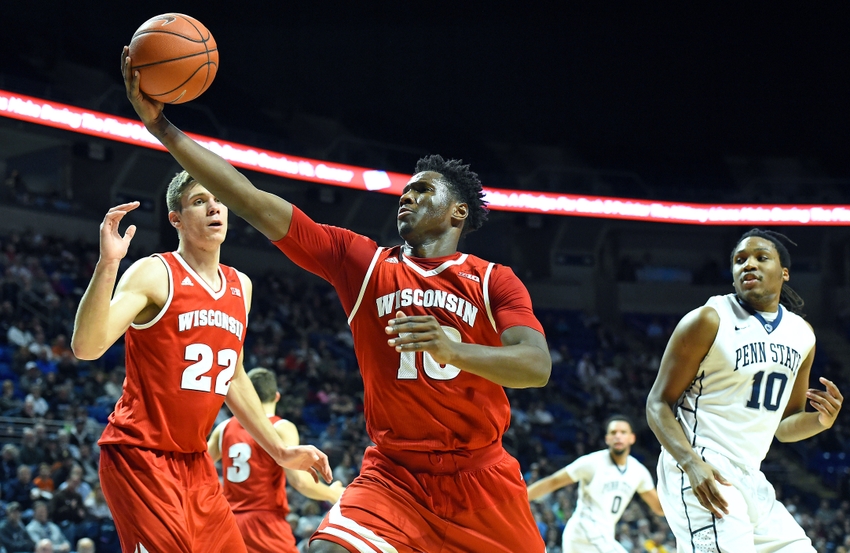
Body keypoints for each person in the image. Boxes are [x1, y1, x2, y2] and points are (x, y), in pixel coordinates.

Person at [122, 46, 552, 553]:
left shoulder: (492, 280)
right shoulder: (363, 263)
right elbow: (250, 199)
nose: (406, 198)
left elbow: (535, 365)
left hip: (482, 481)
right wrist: (164, 130)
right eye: (404, 192)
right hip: (394, 478)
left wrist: (454, 351)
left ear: (458, 212)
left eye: (422, 191)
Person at [70, 158, 331, 551]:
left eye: (220, 199)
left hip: (195, 462)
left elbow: (234, 375)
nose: (214, 207)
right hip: (141, 455)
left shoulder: (240, 286)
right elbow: (86, 347)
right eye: (199, 201)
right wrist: (108, 265)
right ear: (176, 218)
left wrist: (278, 449)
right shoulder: (154, 272)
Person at [646, 229, 844, 552]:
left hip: (750, 475)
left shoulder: (802, 335)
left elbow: (785, 426)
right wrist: (691, 463)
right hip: (702, 464)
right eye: (740, 260)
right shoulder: (709, 320)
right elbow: (657, 403)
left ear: (784, 273)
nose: (748, 265)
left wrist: (821, 421)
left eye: (760, 258)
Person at [208, 367, 346, 553]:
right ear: (277, 396)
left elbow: (199, 467)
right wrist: (331, 493)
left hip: (228, 522)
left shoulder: (223, 428)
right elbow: (299, 481)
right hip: (265, 522)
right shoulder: (281, 427)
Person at [527, 415, 664, 553]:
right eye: (613, 432)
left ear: (632, 438)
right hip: (583, 532)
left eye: (623, 432)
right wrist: (520, 498)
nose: (618, 436)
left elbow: (659, 508)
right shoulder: (592, 462)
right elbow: (553, 481)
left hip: (603, 536)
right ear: (607, 438)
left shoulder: (638, 471)